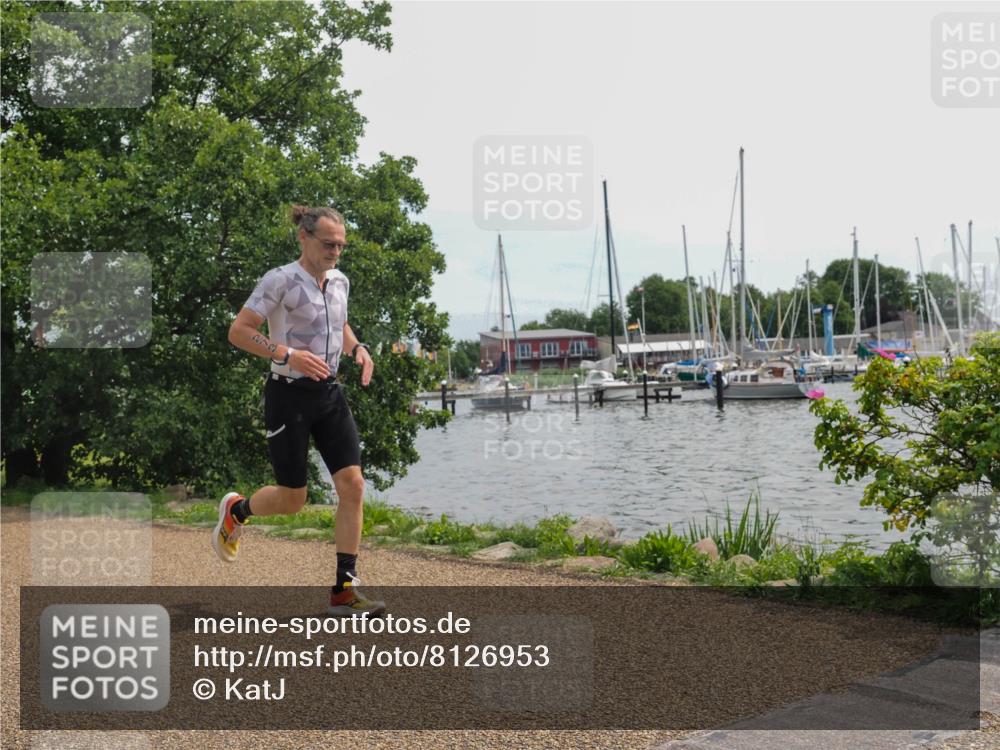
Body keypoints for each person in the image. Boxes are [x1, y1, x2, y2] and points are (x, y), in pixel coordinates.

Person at [214, 204, 385, 617]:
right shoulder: (280, 280)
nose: (336, 252)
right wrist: (289, 353)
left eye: (341, 246)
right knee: (293, 499)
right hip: (287, 394)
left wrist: (358, 348)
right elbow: (239, 332)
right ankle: (237, 510)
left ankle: (344, 590)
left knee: (353, 486)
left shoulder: (340, 281)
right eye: (328, 244)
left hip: (329, 393)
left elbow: (338, 325)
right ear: (304, 238)